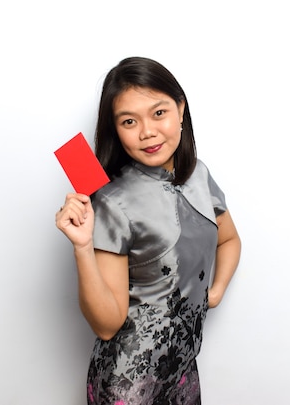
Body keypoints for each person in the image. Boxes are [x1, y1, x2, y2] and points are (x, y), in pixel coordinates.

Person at [55, 57, 241, 405]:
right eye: (129, 121)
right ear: (116, 129)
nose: (148, 132)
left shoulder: (199, 174)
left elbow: (229, 238)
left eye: (159, 113)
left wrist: (214, 293)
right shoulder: (113, 201)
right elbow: (107, 325)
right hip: (129, 384)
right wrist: (83, 247)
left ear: (181, 110)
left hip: (183, 371)